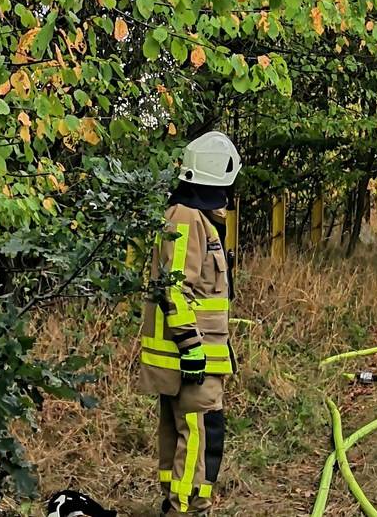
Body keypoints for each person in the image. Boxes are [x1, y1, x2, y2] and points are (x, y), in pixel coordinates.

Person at [138, 131, 241, 516]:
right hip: (191, 359)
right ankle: (187, 509)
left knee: (184, 433)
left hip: (196, 355)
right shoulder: (185, 219)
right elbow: (174, 288)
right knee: (198, 434)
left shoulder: (195, 217)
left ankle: (176, 503)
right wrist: (191, 346)